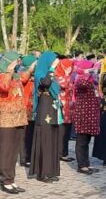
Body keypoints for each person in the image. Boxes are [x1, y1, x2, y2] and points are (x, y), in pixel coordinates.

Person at [0, 51, 27, 194]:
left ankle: (11, 179)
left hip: (18, 117)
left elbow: (25, 78)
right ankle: (5, 181)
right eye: (16, 60)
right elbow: (4, 87)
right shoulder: (1, 75)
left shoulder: (16, 76)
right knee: (6, 150)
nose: (18, 63)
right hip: (6, 118)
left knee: (14, 150)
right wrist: (9, 71)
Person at [30, 52, 62, 183]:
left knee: (53, 140)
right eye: (53, 61)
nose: (55, 63)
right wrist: (52, 68)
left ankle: (51, 171)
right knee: (45, 140)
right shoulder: (40, 73)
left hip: (52, 109)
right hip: (44, 110)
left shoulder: (51, 74)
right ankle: (42, 173)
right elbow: (46, 83)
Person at [70, 60, 100, 174]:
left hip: (90, 114)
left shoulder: (91, 80)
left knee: (86, 141)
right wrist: (87, 73)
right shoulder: (80, 79)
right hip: (83, 114)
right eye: (90, 67)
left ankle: (86, 163)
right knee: (81, 141)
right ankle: (81, 166)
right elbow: (81, 85)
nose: (93, 70)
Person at [55, 57, 75, 162]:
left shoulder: (69, 76)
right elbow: (63, 85)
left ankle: (64, 153)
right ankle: (60, 153)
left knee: (66, 132)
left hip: (69, 107)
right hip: (61, 107)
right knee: (61, 132)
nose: (70, 69)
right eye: (68, 67)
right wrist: (67, 75)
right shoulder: (57, 76)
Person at [19, 55, 37, 168]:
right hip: (25, 108)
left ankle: (30, 156)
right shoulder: (22, 73)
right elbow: (23, 79)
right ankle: (24, 158)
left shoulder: (34, 75)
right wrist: (30, 70)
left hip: (34, 108)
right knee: (25, 135)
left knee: (31, 134)